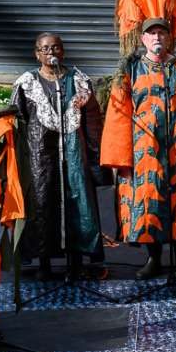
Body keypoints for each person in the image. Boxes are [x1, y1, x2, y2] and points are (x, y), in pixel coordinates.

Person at [100, 17, 176, 282]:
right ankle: (153, 258)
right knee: (148, 203)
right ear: (143, 40)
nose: (157, 38)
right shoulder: (130, 70)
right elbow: (118, 115)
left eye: (162, 33)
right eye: (151, 34)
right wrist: (121, 158)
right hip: (144, 152)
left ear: (168, 38)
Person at [11, 32, 105, 282]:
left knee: (79, 203)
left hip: (76, 153)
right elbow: (14, 124)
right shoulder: (26, 83)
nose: (51, 52)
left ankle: (77, 260)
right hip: (40, 156)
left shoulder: (79, 80)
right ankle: (44, 261)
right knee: (42, 205)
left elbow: (93, 120)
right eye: (45, 49)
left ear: (63, 51)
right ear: (36, 54)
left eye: (55, 48)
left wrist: (96, 157)